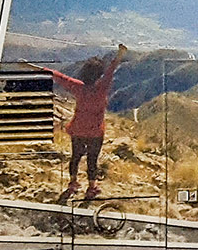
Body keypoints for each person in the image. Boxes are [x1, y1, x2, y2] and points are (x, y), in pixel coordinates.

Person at [24, 43, 127, 203]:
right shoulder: (102, 87)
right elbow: (111, 69)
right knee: (92, 160)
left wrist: (30, 66)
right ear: (98, 74)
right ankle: (91, 187)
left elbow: (57, 76)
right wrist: (121, 53)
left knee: (76, 157)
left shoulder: (78, 87)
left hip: (77, 128)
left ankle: (72, 183)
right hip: (95, 131)